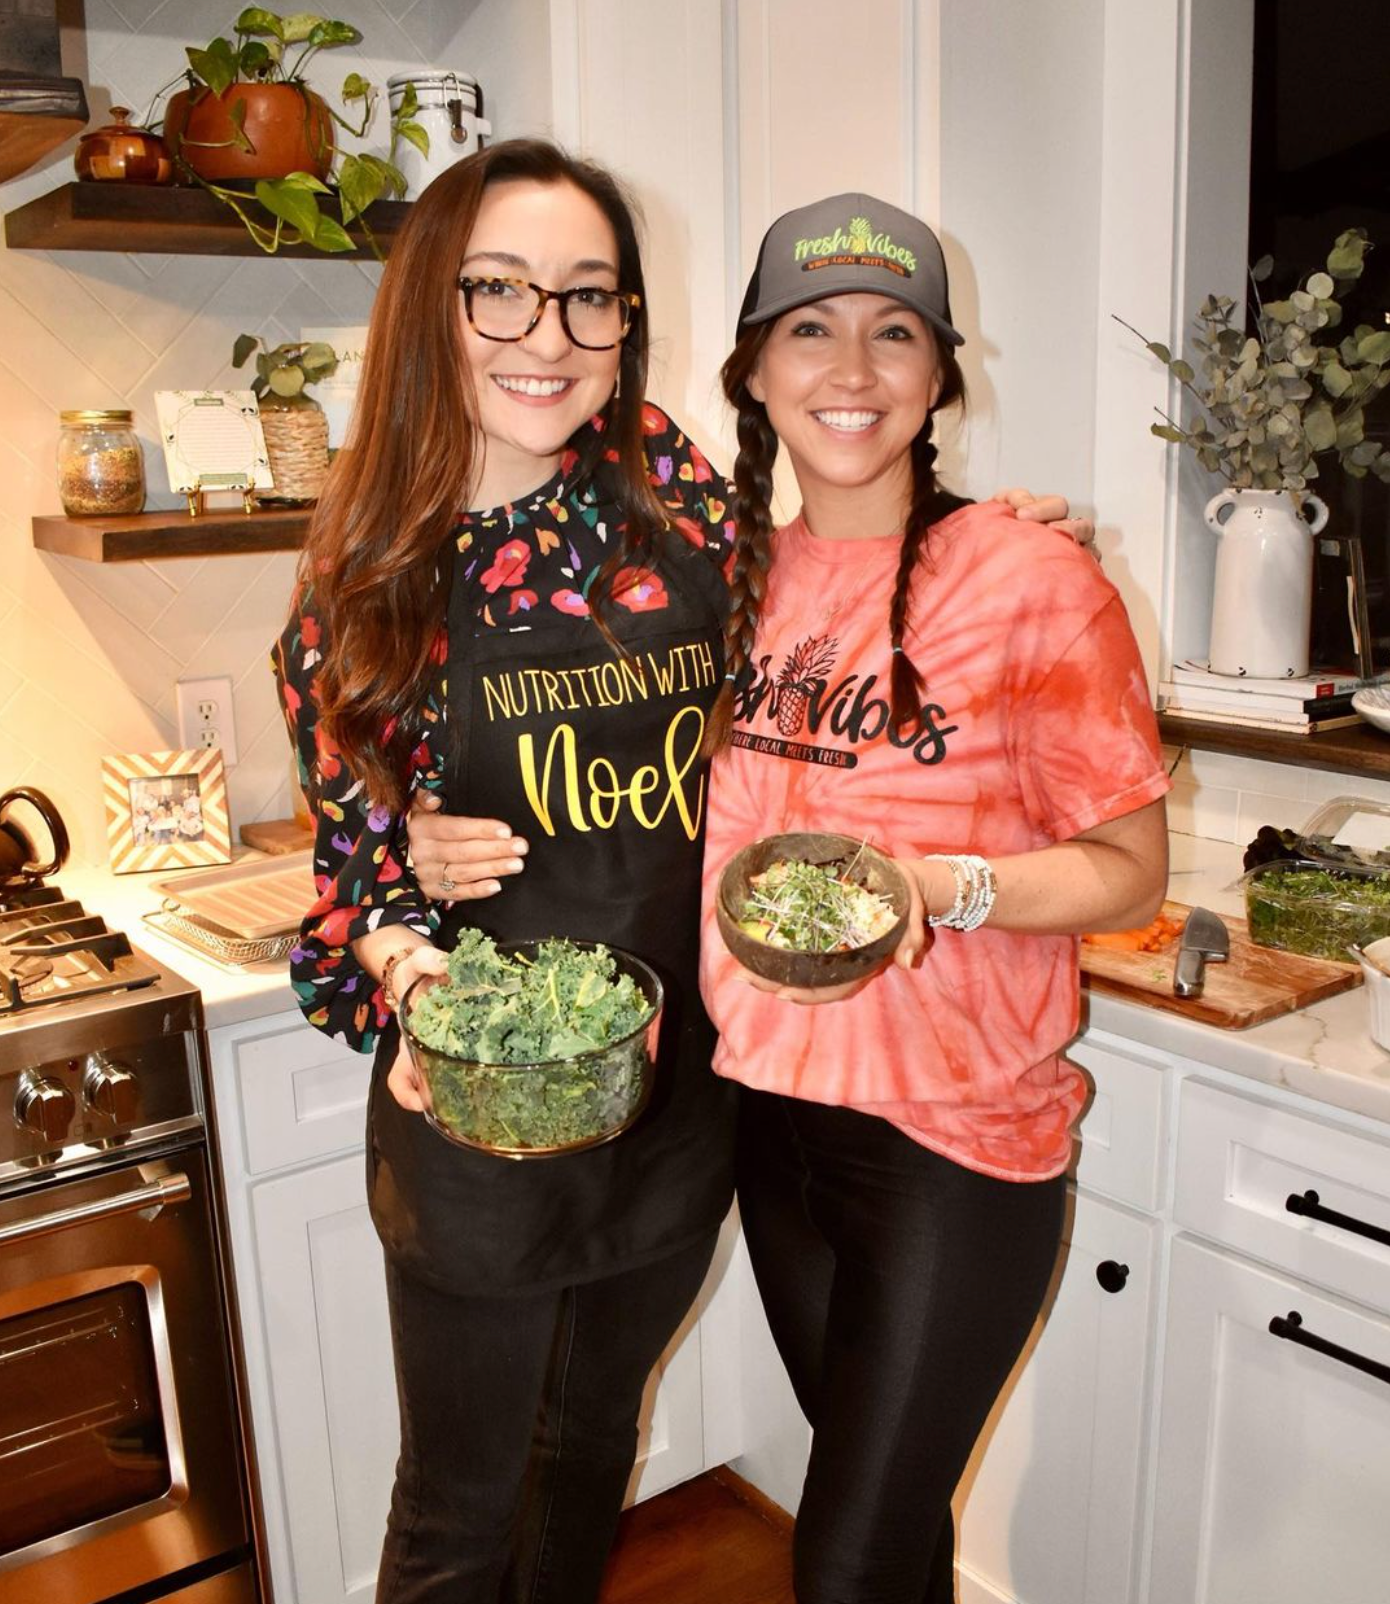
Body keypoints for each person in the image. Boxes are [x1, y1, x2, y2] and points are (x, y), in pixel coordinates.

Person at [280, 136, 1091, 1604]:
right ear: (429, 307)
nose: (551, 337)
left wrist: (981, 534)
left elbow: (830, 569)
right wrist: (407, 950)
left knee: (589, 1441)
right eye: (502, 293)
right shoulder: (363, 563)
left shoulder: (666, 489)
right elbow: (346, 869)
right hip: (483, 1100)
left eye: (591, 298)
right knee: (456, 1512)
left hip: (679, 1093)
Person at [695, 193, 1171, 1603]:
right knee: (889, 1539)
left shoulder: (1030, 577)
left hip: (951, 1142)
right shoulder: (722, 584)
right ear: (754, 371)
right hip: (767, 1122)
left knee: (840, 1565)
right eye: (811, 331)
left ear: (938, 377)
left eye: (893, 334)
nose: (851, 370)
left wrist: (939, 888)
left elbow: (1128, 872)